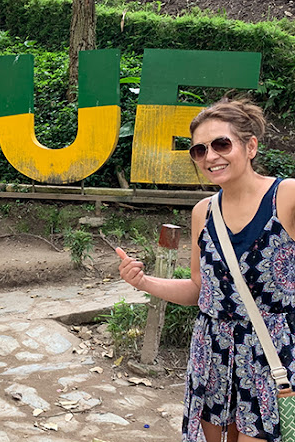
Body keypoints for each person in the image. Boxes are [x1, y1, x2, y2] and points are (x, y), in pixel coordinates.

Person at [118, 98, 295, 442]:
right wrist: (143, 282)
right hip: (211, 352)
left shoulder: (286, 196)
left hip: (271, 353)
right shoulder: (204, 211)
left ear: (251, 146)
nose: (210, 156)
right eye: (199, 150)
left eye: (221, 144)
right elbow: (202, 291)